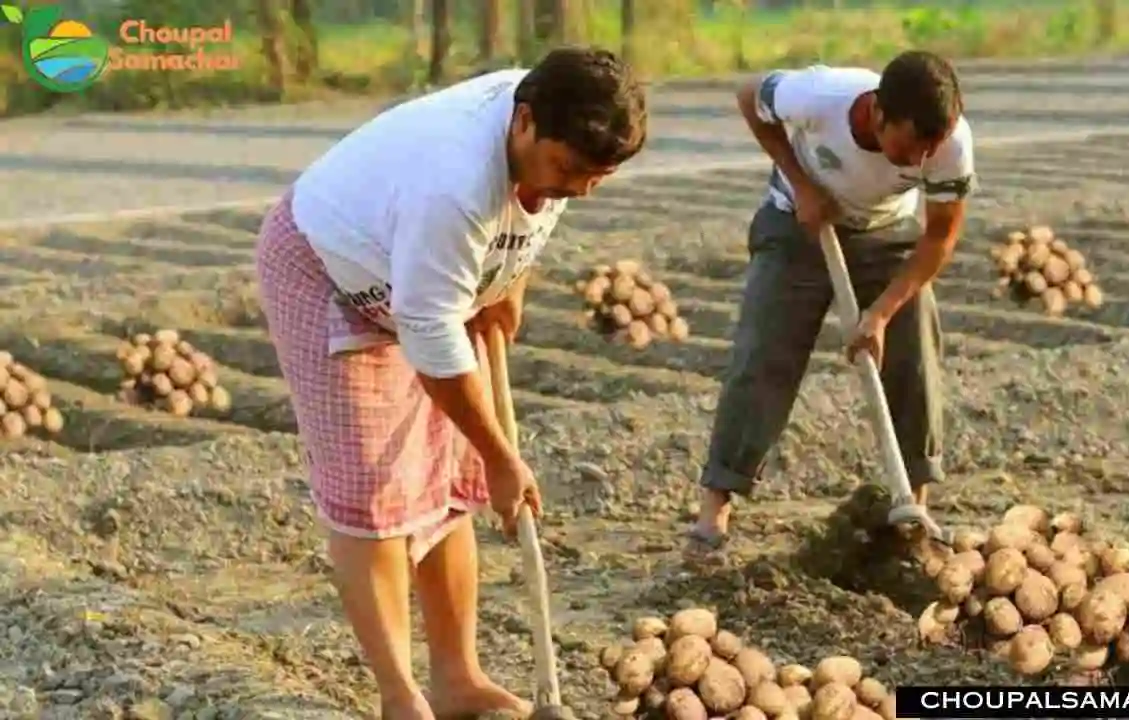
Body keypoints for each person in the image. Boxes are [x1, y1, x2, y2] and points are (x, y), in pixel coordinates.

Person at [255, 47, 647, 720]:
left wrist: (506, 281)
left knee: (444, 488)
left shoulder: (550, 124)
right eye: (571, 170)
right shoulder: (454, 185)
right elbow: (429, 331)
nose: (580, 188)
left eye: (598, 177)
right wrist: (502, 457)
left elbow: (525, 215)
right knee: (373, 494)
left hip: (418, 273)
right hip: (330, 272)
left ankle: (457, 678)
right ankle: (399, 697)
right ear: (523, 123)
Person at [688, 50, 975, 554]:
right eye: (908, 149)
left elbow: (940, 238)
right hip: (797, 224)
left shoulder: (950, 145)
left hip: (886, 233)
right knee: (763, 357)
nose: (919, 162)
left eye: (930, 151)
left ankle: (915, 502)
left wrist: (882, 313)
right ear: (878, 114)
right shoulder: (819, 96)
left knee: (915, 354)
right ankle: (715, 508)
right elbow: (748, 96)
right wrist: (801, 184)